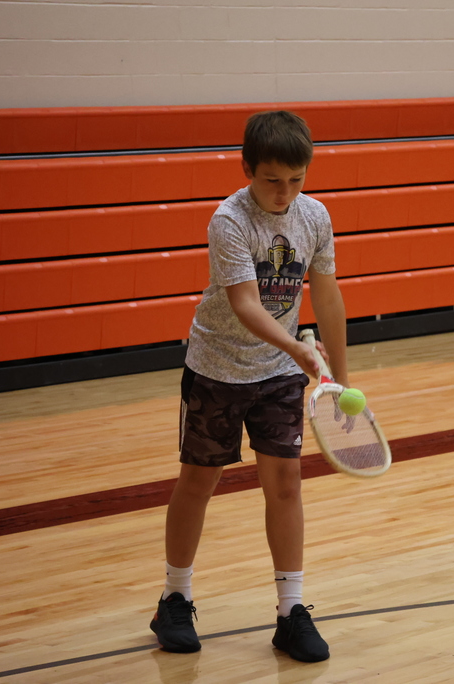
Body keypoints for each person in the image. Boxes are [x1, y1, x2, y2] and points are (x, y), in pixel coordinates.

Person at [149, 110, 348, 663]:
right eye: (272, 180)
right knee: (198, 482)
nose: (285, 193)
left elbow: (328, 298)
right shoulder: (228, 221)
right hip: (217, 368)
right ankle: (175, 597)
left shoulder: (315, 217)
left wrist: (342, 385)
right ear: (246, 169)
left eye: (297, 180)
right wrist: (300, 349)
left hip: (281, 375)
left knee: (285, 483)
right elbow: (245, 305)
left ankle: (291, 612)